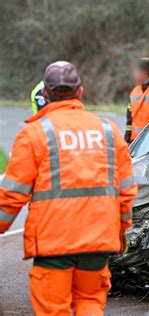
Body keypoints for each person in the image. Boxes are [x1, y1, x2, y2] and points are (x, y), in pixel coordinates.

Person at [0, 61, 137, 315]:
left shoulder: (34, 135)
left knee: (54, 309)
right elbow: (126, 190)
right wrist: (121, 231)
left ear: (44, 95)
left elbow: (11, 196)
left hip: (54, 243)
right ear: (80, 92)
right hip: (98, 241)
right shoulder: (108, 131)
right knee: (90, 302)